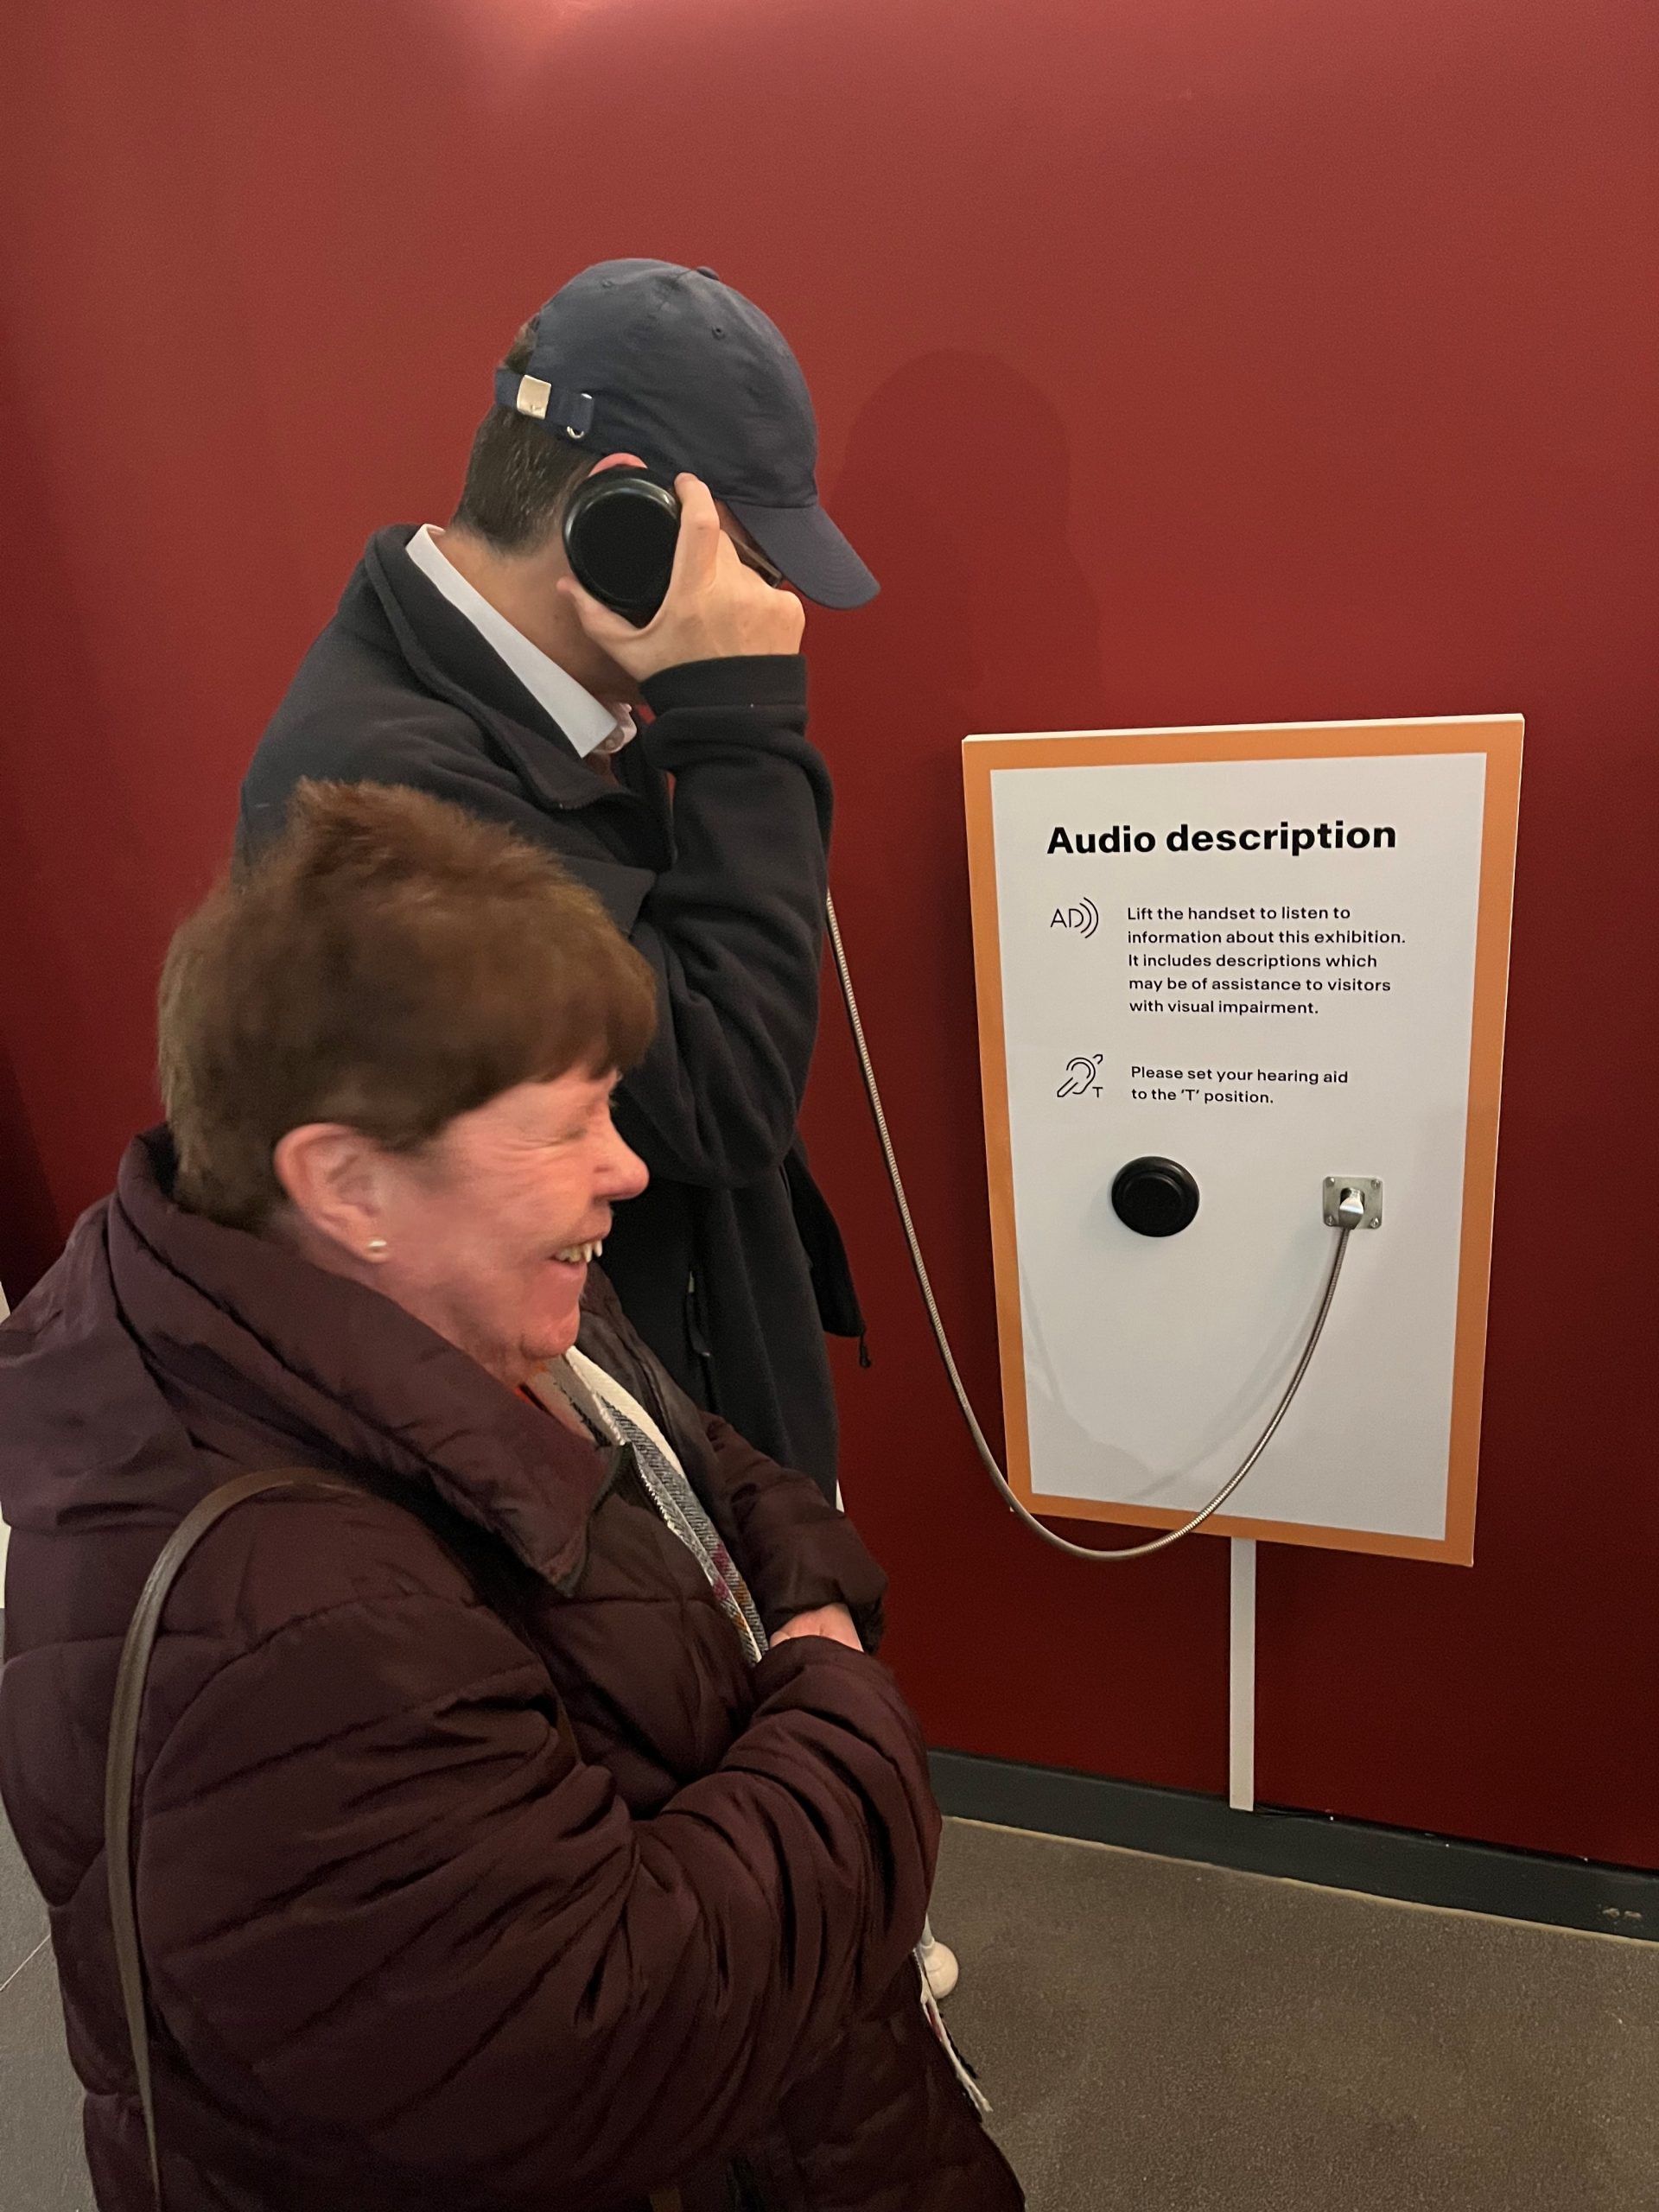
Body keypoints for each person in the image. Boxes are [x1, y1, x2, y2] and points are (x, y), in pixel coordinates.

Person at [0, 783, 1020, 2212]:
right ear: (348, 1179)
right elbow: (613, 2038)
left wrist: (801, 1575)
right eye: (571, 1123)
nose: (628, 1167)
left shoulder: (451, 1286)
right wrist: (839, 1691)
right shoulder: (284, 1635)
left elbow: (681, 1457)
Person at [238, 258, 870, 1499]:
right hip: (613, 1481)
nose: (768, 601)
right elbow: (717, 1094)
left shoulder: (538, 707)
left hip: (699, 1419)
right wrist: (742, 729)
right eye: (750, 556)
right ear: (620, 524)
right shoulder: (392, 786)